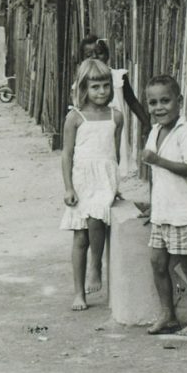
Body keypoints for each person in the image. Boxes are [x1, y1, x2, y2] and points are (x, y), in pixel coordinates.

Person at [140, 74, 187, 336]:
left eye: (165, 101)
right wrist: (152, 206)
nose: (159, 108)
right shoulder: (156, 131)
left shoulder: (186, 134)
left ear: (179, 101)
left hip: (182, 212)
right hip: (162, 211)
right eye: (153, 102)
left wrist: (157, 160)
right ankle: (168, 315)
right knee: (158, 263)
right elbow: (157, 175)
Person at [59, 58, 122, 311]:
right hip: (83, 179)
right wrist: (68, 188)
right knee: (80, 238)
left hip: (104, 178)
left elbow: (114, 152)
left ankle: (96, 265)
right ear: (84, 87)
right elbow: (66, 154)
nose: (102, 91)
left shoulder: (116, 116)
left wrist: (115, 184)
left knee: (97, 219)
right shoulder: (75, 117)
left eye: (106, 86)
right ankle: (79, 293)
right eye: (95, 87)